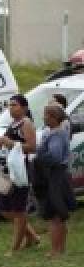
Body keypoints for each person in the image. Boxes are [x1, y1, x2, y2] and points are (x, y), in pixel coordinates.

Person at [0, 94, 40, 254]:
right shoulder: (13, 124)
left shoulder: (26, 123)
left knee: (18, 209)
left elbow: (32, 146)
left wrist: (13, 143)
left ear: (24, 108)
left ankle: (15, 248)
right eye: (9, 105)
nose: (11, 108)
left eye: (14, 105)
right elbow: (1, 146)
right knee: (4, 209)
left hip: (20, 170)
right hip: (6, 171)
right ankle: (32, 236)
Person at [32, 103, 75, 257]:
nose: (43, 117)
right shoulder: (57, 132)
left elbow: (55, 157)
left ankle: (55, 250)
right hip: (59, 175)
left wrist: (38, 156)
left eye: (45, 114)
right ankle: (60, 249)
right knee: (59, 215)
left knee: (55, 215)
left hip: (55, 175)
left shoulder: (56, 134)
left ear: (53, 117)